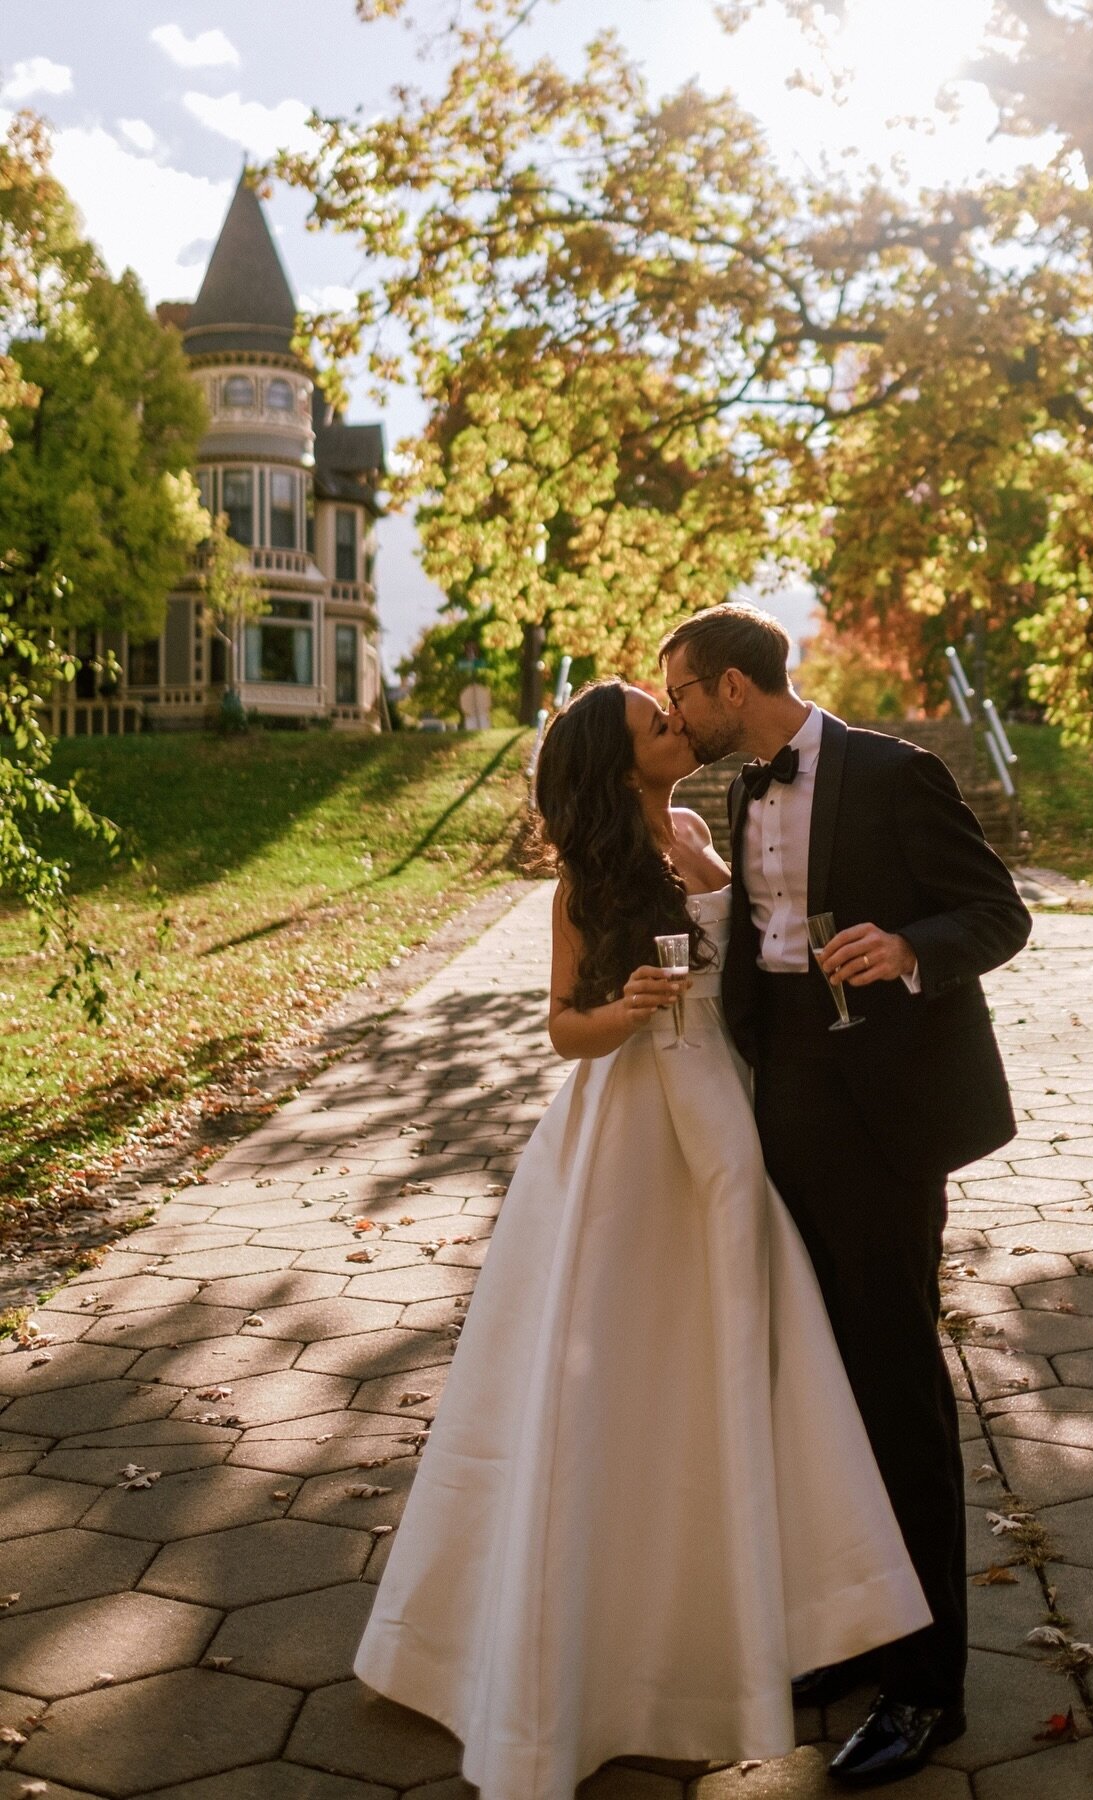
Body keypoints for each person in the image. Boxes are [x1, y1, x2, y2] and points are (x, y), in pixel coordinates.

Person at [353, 678, 931, 1800]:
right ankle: (576, 1655)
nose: (676, 725)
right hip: (628, 1129)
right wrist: (621, 1015)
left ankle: (766, 1620)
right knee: (611, 1378)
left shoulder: (703, 833)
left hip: (729, 1114)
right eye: (651, 723)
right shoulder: (584, 878)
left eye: (672, 711)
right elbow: (563, 1024)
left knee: (745, 1358)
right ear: (621, 766)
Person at [659, 603, 1033, 1784]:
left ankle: (930, 1691)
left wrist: (911, 947)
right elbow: (764, 937)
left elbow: (999, 913)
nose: (675, 718)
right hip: (777, 1108)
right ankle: (847, 1628)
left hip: (882, 1119)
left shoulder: (894, 771)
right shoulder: (739, 791)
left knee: (892, 1387)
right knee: (806, 1382)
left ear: (731, 685)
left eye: (682, 697)